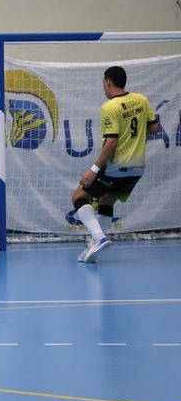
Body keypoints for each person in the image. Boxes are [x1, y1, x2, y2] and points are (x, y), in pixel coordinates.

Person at [72, 66, 159, 263]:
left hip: (116, 166)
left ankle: (98, 237)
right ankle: (95, 244)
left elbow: (111, 143)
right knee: (106, 201)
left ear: (108, 82)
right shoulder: (141, 99)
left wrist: (93, 170)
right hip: (137, 168)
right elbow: (154, 128)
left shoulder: (109, 107)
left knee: (78, 196)